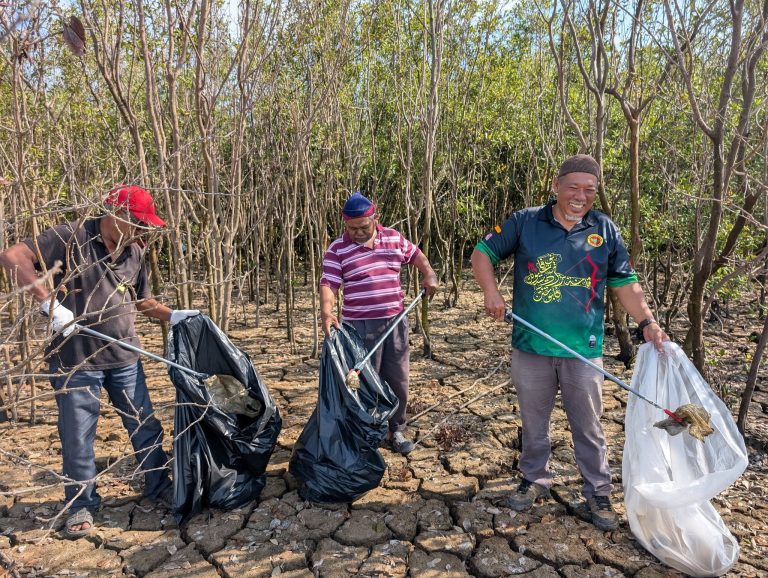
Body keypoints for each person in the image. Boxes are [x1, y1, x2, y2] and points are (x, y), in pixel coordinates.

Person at [470, 154, 668, 531]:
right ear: (556, 185)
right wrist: (491, 293)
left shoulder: (604, 230)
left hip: (583, 347)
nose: (581, 196)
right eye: (573, 187)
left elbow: (624, 283)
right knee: (533, 420)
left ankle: (597, 490)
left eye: (589, 190)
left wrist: (647, 321)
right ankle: (534, 480)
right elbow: (482, 254)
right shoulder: (525, 221)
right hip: (531, 345)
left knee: (589, 424)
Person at [0, 185, 199, 538]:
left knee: (145, 426)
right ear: (115, 213)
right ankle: (80, 503)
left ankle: (158, 486)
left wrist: (177, 316)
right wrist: (50, 304)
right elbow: (12, 256)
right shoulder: (70, 236)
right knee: (78, 436)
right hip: (75, 362)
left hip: (124, 356)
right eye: (137, 223)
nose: (142, 232)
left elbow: (142, 301)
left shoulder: (134, 251)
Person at [320, 192, 439, 454]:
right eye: (352, 228)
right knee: (362, 382)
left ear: (376, 219)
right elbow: (329, 283)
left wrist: (428, 273)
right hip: (357, 327)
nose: (358, 233)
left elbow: (417, 256)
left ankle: (395, 429)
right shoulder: (337, 248)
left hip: (394, 322)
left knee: (397, 379)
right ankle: (366, 432)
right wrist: (327, 313)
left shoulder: (394, 238)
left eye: (364, 227)